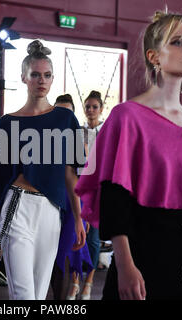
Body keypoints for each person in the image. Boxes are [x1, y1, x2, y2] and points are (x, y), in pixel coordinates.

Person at [75, 11, 182, 300]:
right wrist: (126, 264)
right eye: (179, 42)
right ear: (154, 56)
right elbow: (115, 195)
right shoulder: (127, 117)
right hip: (145, 246)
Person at [0, 40, 86, 300]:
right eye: (36, 75)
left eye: (47, 75)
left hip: (51, 212)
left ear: (53, 79)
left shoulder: (66, 120)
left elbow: (70, 173)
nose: (42, 80)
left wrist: (79, 216)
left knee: (39, 294)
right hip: (17, 208)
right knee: (24, 296)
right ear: (24, 78)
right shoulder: (7, 122)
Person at [51, 94, 93, 300]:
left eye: (67, 112)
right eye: (58, 111)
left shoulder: (80, 145)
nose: (63, 116)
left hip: (73, 203)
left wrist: (83, 215)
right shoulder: (45, 142)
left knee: (68, 253)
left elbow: (84, 184)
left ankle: (70, 289)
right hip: (50, 202)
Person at [67, 90, 105, 300]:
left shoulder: (107, 132)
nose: (90, 110)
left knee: (93, 239)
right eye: (87, 107)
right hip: (78, 187)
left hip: (98, 191)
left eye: (94, 107)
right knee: (75, 236)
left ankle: (88, 282)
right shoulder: (77, 133)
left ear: (101, 109)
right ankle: (74, 282)